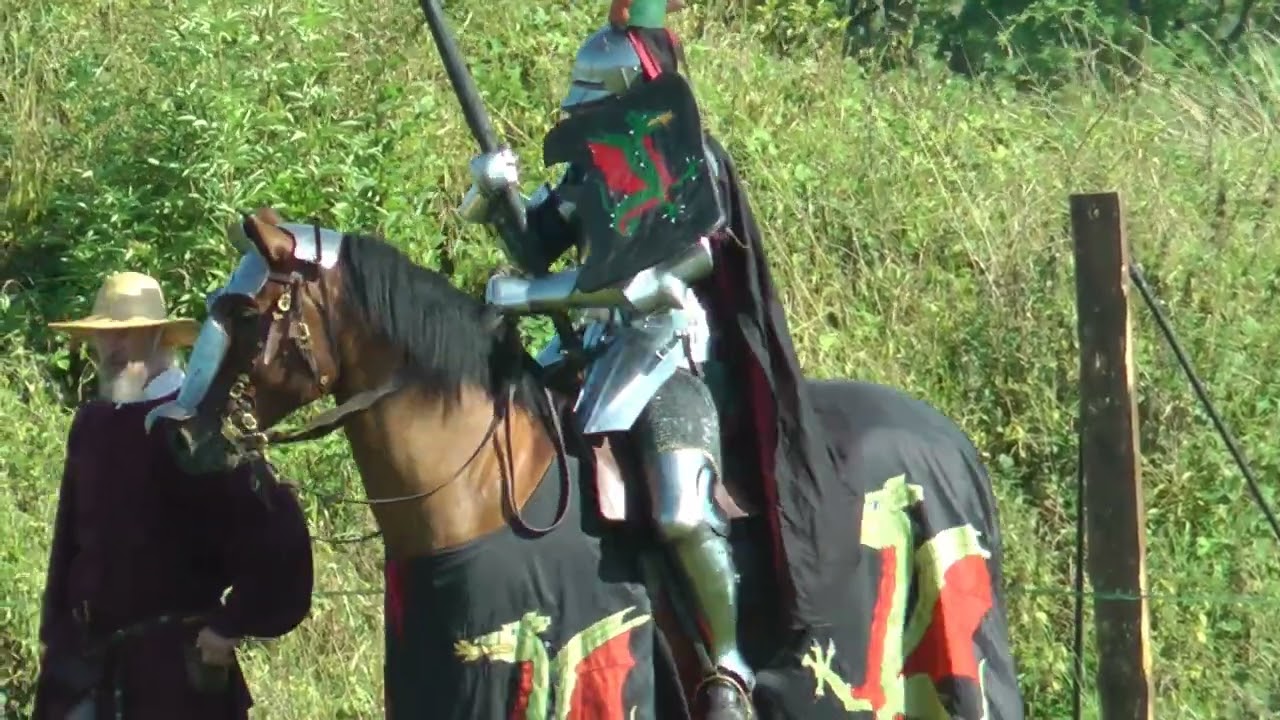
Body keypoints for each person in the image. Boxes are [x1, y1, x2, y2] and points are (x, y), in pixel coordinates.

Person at [456, 1, 839, 717]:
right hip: (589, 351)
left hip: (668, 354)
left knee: (680, 512)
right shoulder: (586, 167)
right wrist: (493, 193)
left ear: (633, 89)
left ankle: (728, 667)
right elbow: (533, 243)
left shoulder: (695, 164)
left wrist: (531, 294)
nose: (582, 105)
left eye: (595, 93)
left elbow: (671, 274)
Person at [34, 271, 315, 719]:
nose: (113, 349)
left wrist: (231, 623)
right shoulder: (92, 423)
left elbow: (279, 537)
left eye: (128, 334)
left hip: (172, 682)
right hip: (84, 672)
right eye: (105, 336)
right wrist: (55, 638)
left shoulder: (194, 426)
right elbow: (67, 543)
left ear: (159, 338)